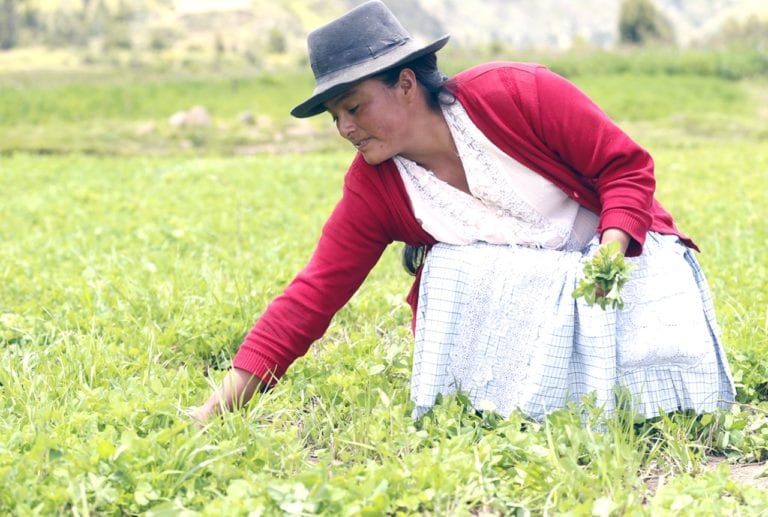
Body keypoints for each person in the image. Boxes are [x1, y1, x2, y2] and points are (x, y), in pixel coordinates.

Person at [190, 0, 735, 425]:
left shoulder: (517, 94)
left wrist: (610, 254)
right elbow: (313, 296)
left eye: (353, 108)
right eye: (335, 118)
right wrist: (218, 407)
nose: (346, 129)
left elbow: (626, 168)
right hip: (528, 305)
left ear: (404, 84)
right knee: (453, 272)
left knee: (659, 324)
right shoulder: (375, 187)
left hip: (616, 268)